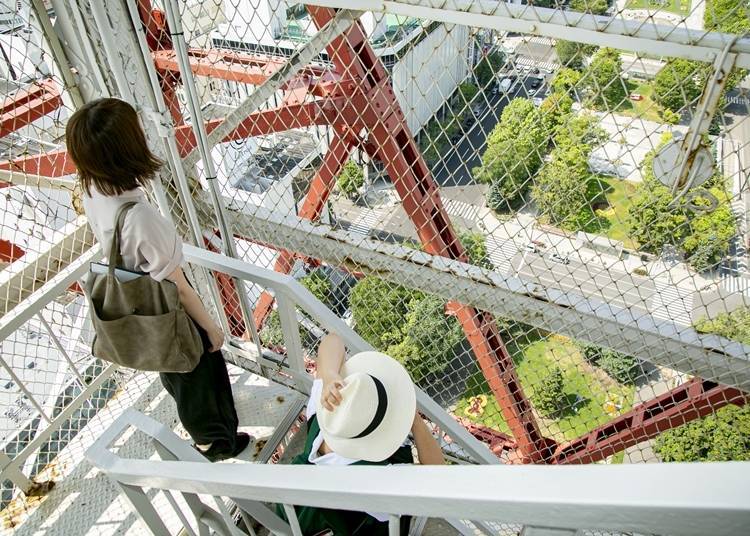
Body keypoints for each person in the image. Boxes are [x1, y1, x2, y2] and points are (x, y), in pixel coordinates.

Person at [66, 98, 249, 462]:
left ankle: (208, 438)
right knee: (200, 375)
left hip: (138, 305)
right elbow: (179, 287)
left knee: (174, 372)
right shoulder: (141, 218)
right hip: (165, 306)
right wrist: (211, 328)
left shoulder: (91, 190)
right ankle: (216, 445)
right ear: (128, 148)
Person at [279, 333, 444, 535]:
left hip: (302, 518)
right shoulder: (380, 477)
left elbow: (333, 339)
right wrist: (416, 421)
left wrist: (330, 375)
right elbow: (437, 475)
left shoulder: (328, 413)